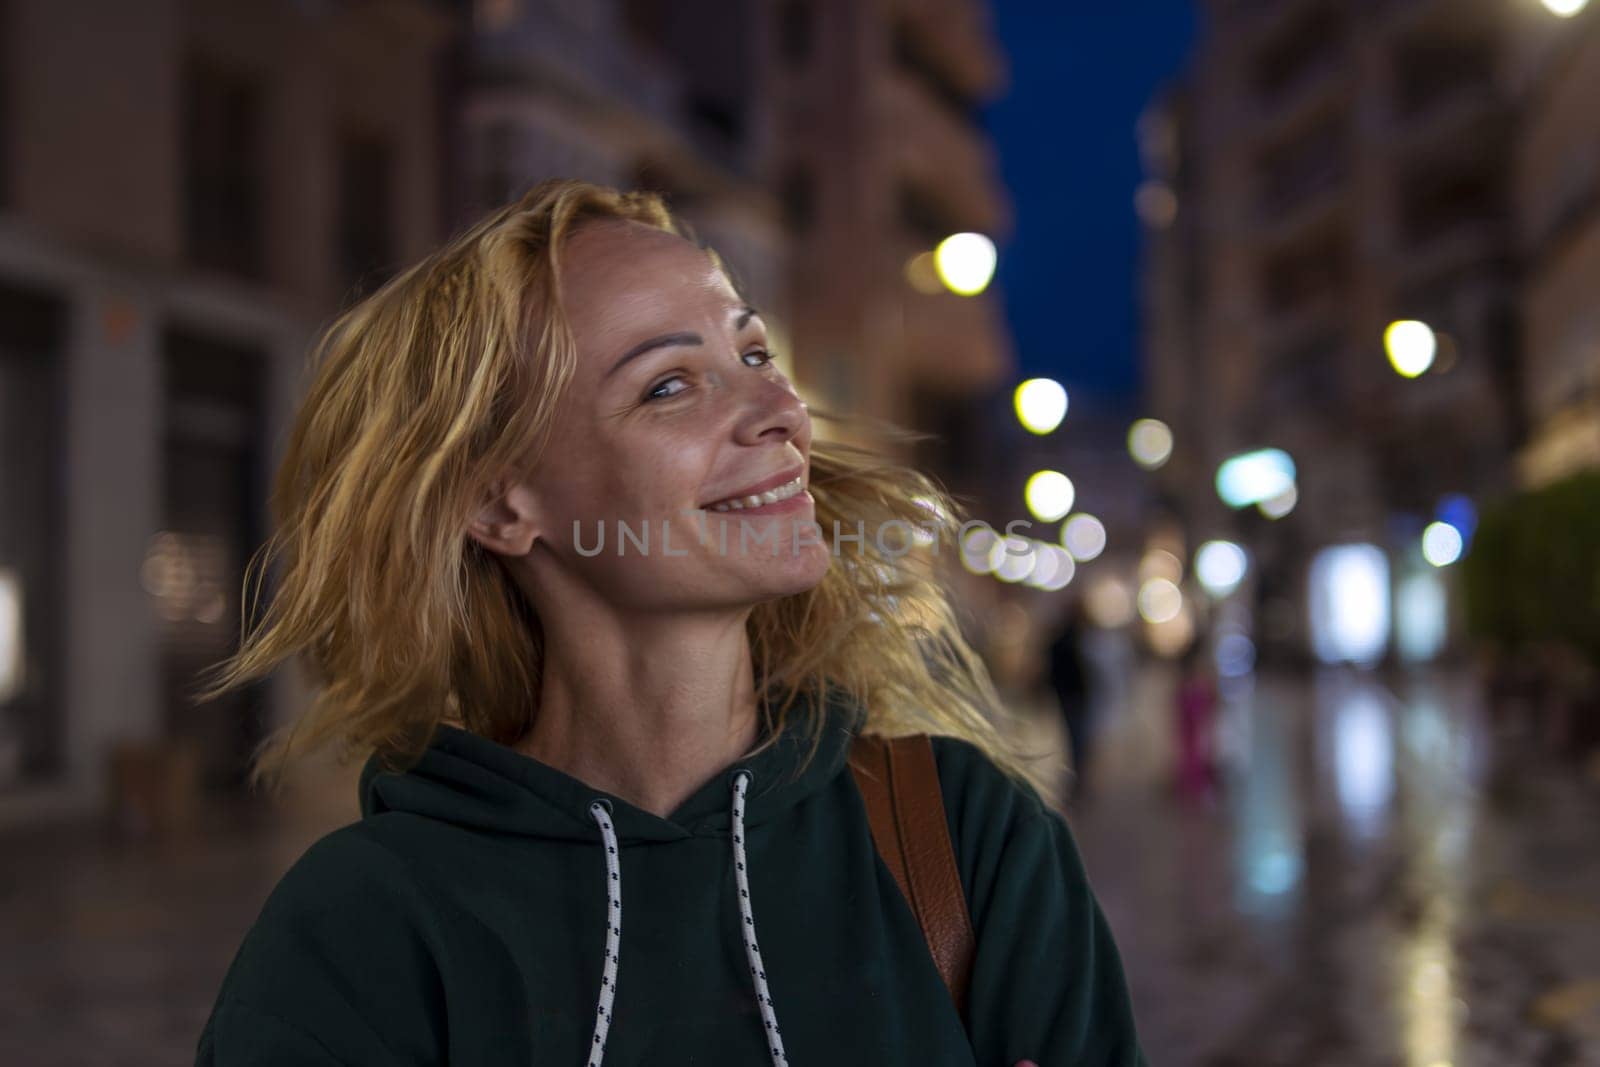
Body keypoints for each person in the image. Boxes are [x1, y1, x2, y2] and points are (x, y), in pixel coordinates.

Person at [192, 179, 1146, 1066]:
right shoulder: (364, 927)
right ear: (500, 504)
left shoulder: (967, 838)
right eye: (668, 385)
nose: (779, 409)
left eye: (755, 353)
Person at [1046, 599, 1097, 804]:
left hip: (1068, 696)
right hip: (1074, 697)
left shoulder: (1065, 640)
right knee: (1078, 739)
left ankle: (1077, 779)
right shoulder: (1074, 641)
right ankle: (1077, 780)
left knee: (1074, 738)